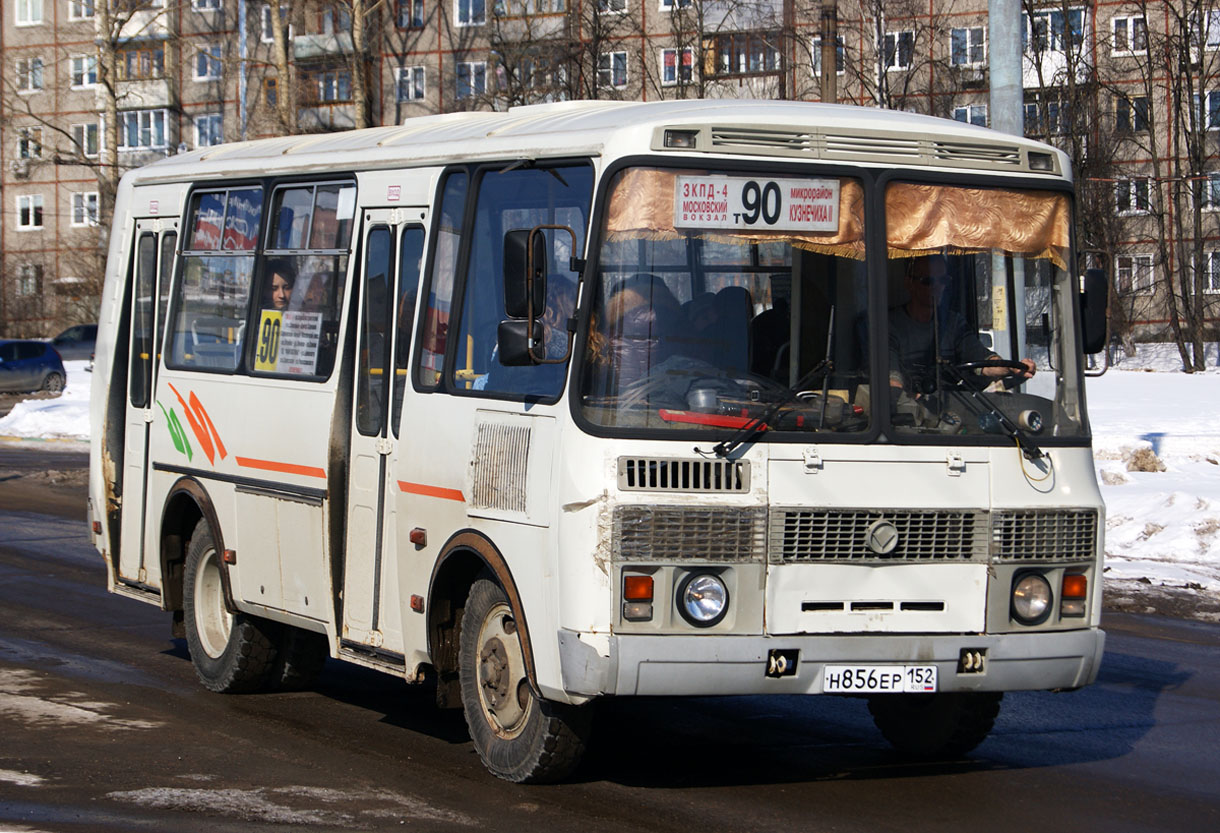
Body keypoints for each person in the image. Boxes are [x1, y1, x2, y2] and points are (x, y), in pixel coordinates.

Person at [889, 255, 1035, 394]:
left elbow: (983, 361)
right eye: (928, 281)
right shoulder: (890, 326)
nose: (938, 287)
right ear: (909, 283)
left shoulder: (953, 323)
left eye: (943, 280)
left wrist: (1011, 368)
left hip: (951, 409)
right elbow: (892, 380)